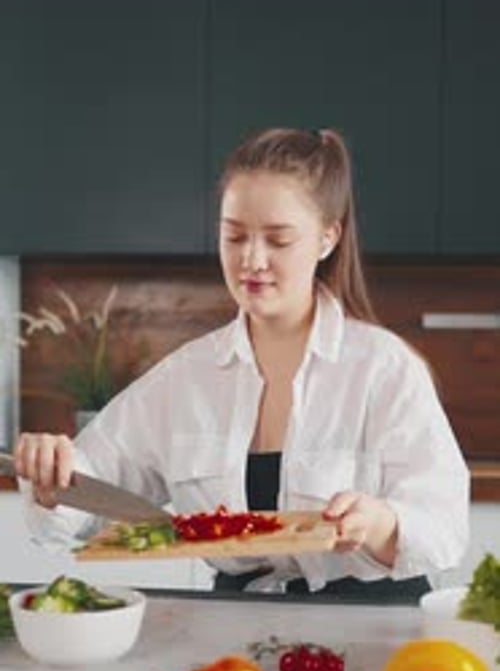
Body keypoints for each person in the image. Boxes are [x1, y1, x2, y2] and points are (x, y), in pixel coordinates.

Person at [14, 127, 469, 602]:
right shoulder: (185, 377)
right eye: (234, 236)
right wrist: (54, 478)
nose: (252, 259)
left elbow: (444, 526)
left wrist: (383, 525)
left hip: (375, 622)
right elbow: (92, 491)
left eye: (278, 240)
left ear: (327, 238)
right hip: (235, 617)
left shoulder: (385, 368)